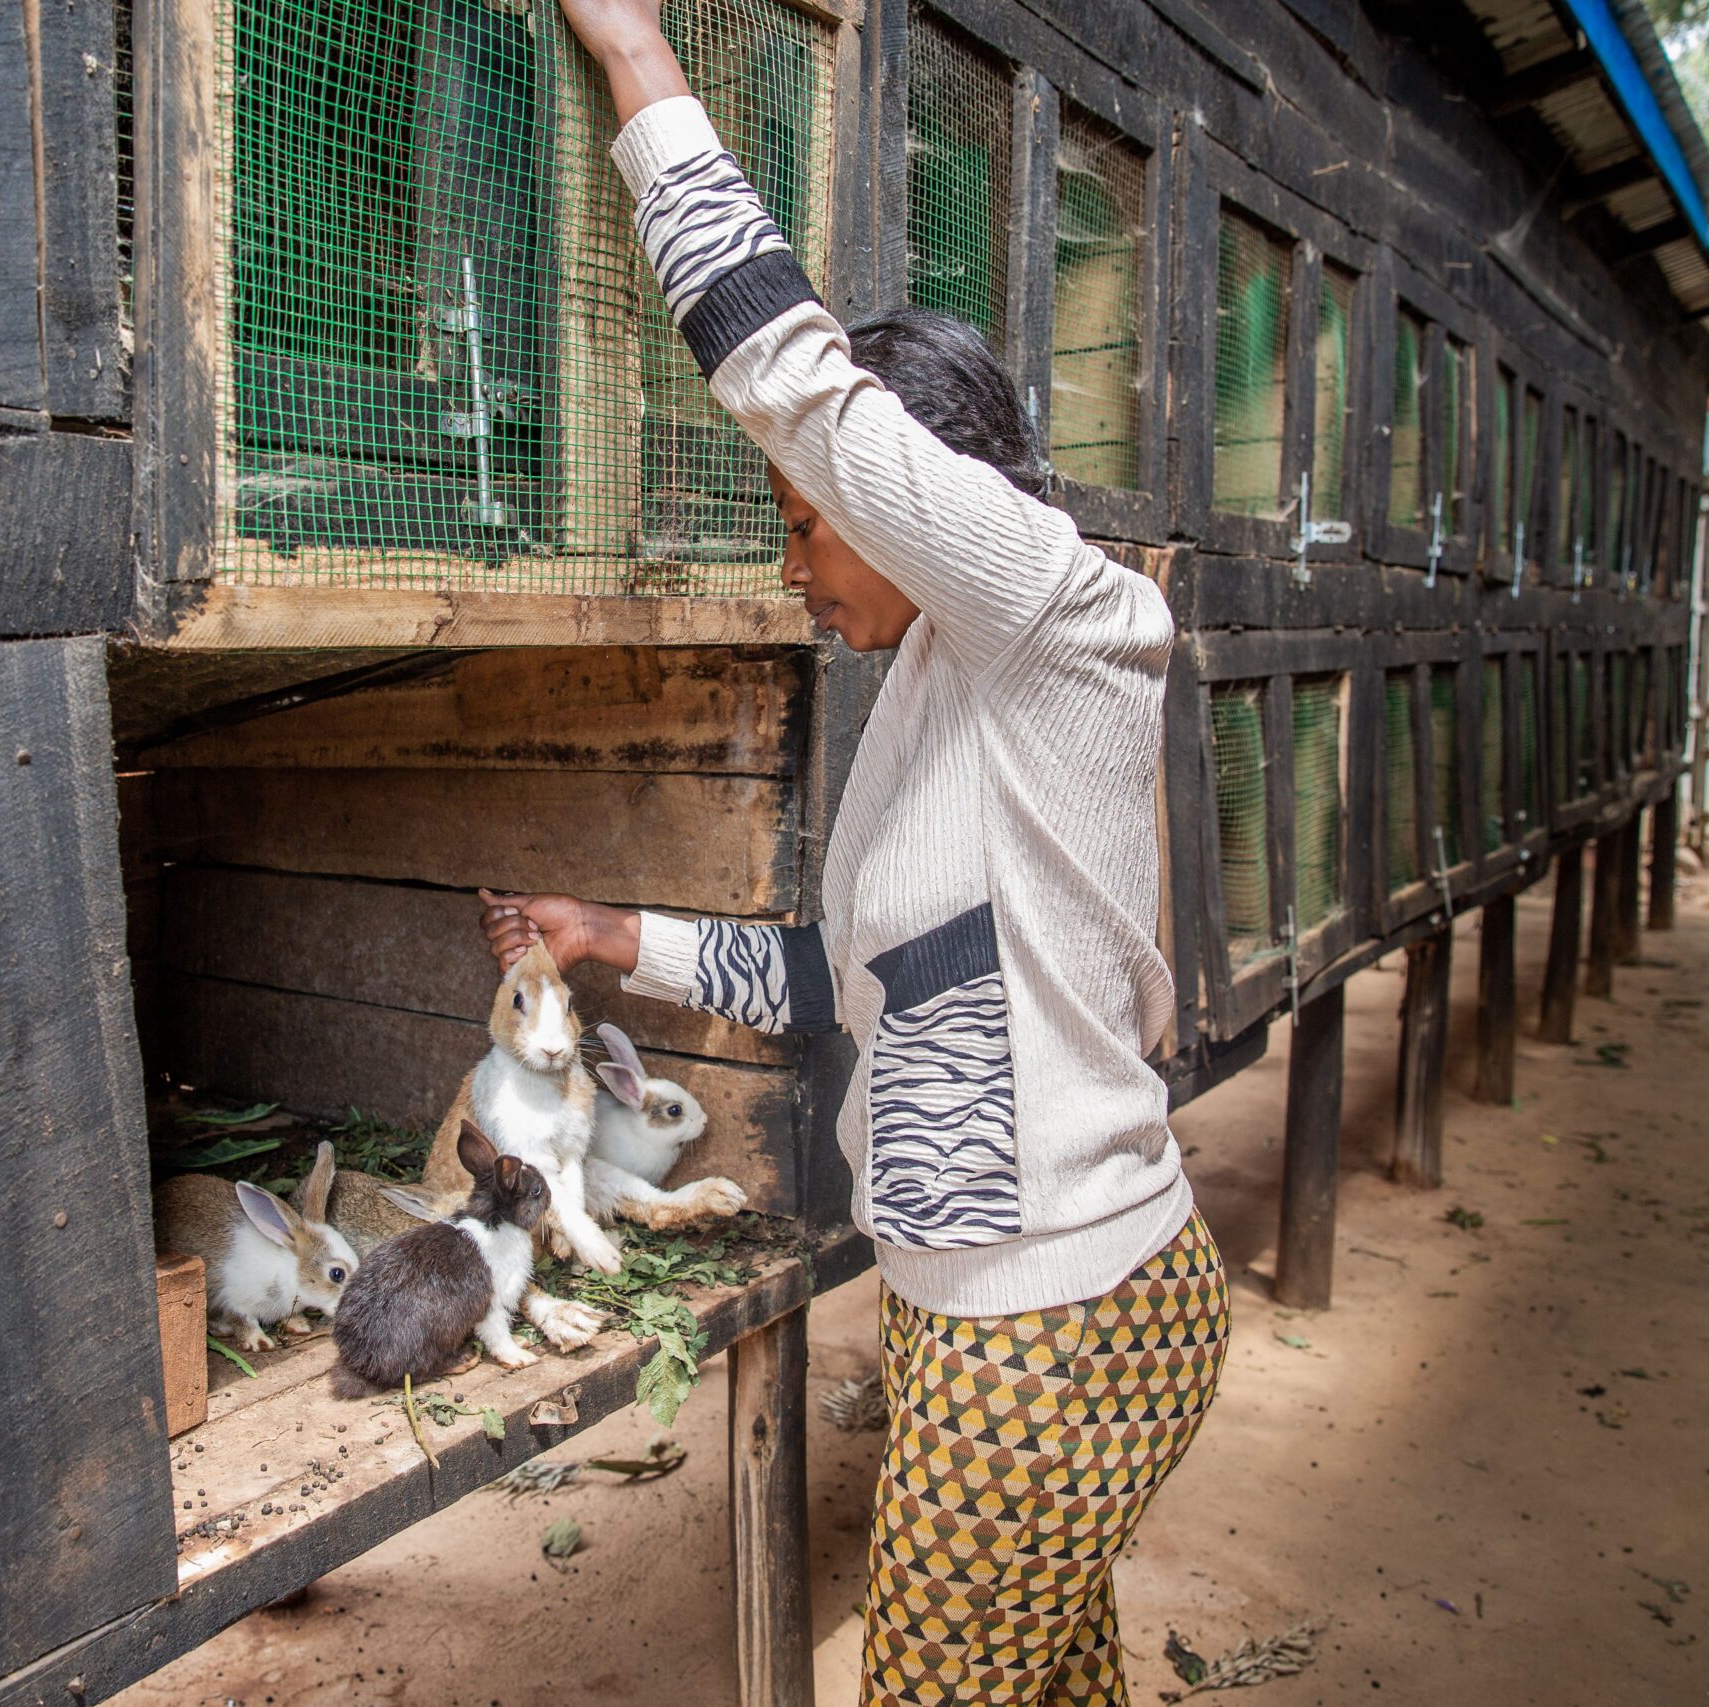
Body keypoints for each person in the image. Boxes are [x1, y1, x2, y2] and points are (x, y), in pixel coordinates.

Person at [477, 2, 1231, 1700]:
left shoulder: (1060, 612)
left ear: (923, 503)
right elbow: (848, 974)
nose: (797, 561)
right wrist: (615, 936)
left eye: (812, 523)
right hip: (1001, 1308)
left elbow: (798, 383)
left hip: (1050, 1325)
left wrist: (639, 70)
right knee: (1046, 1679)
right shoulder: (932, 697)